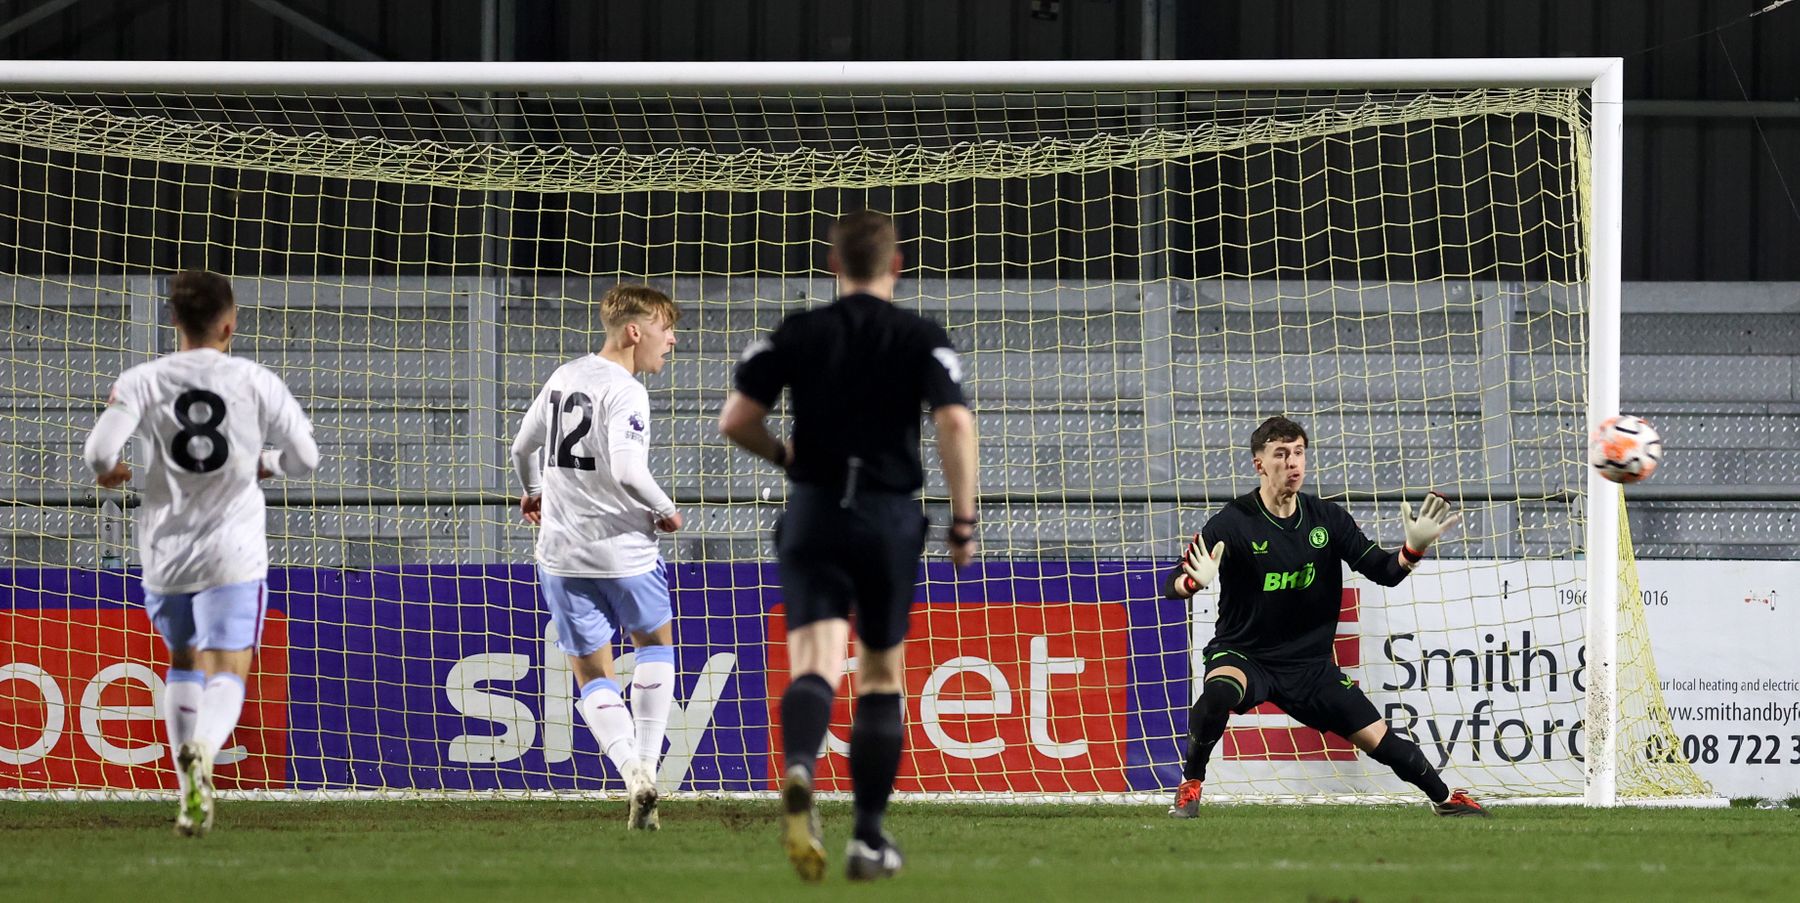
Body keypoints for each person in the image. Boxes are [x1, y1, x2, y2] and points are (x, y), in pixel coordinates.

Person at [719, 210, 979, 882]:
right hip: (887, 518)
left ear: (833, 265)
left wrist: (784, 454)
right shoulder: (920, 336)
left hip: (813, 514)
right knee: (881, 675)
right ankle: (867, 837)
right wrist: (963, 520)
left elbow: (736, 418)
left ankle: (802, 764)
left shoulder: (800, 330)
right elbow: (953, 419)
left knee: (813, 663)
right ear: (895, 265)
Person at [82, 269, 319, 836]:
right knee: (227, 670)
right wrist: (267, 463)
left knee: (183, 661)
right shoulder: (254, 379)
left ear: (174, 322)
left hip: (166, 553)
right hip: (232, 553)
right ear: (229, 323)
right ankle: (202, 753)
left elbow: (98, 452)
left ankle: (187, 783)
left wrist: (111, 472)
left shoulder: (141, 379)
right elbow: (306, 458)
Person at [1165, 415, 1487, 818]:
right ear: (1259, 463)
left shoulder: (1327, 519)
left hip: (1309, 667)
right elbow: (1174, 583)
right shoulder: (1233, 522)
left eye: (1299, 452)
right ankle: (1190, 786)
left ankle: (1445, 800)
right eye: (1281, 454)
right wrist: (1192, 583)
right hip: (1245, 655)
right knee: (1217, 696)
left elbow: (1384, 572)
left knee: (1381, 741)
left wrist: (1413, 550)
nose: (1293, 463)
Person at [510, 284, 683, 831]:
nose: (672, 341)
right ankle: (651, 768)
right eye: (665, 329)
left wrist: (533, 489)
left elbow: (520, 446)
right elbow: (631, 472)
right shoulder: (627, 392)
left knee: (591, 675)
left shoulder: (566, 376)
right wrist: (667, 509)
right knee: (655, 644)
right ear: (636, 332)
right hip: (625, 552)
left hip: (561, 554)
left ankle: (631, 772)